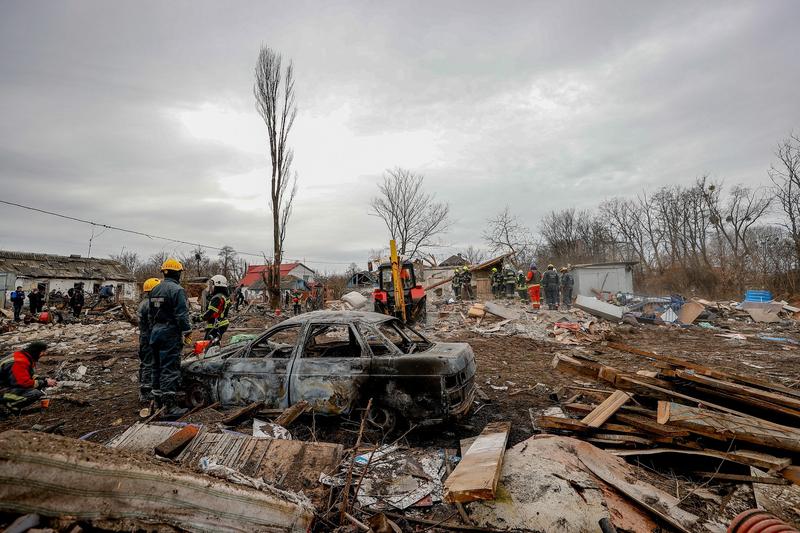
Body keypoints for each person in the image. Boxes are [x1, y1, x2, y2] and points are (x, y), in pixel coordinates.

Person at [147, 258, 190, 419]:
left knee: (156, 367)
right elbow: (181, 314)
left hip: (155, 332)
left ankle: (157, 401)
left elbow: (150, 315)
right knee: (169, 368)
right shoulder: (177, 290)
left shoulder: (155, 289)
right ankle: (170, 407)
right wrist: (187, 331)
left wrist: (154, 329)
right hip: (170, 333)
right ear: (177, 272)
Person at [0, 341, 56, 416]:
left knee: (36, 387)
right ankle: (9, 405)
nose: (44, 354)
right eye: (43, 351)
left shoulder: (23, 356)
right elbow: (23, 382)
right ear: (36, 351)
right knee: (35, 393)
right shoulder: (20, 361)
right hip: (2, 388)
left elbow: (28, 375)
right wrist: (45, 383)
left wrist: (43, 379)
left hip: (5, 384)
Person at [138, 278, 160, 403]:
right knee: (148, 363)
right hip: (149, 337)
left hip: (144, 336)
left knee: (145, 363)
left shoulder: (143, 302)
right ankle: (146, 392)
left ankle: (143, 387)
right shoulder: (151, 303)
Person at [203, 275, 231, 342]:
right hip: (221, 323)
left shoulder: (217, 297)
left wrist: (198, 318)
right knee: (215, 343)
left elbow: (210, 313)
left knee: (208, 345)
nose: (210, 287)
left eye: (212, 284)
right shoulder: (224, 296)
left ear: (217, 285)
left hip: (215, 325)